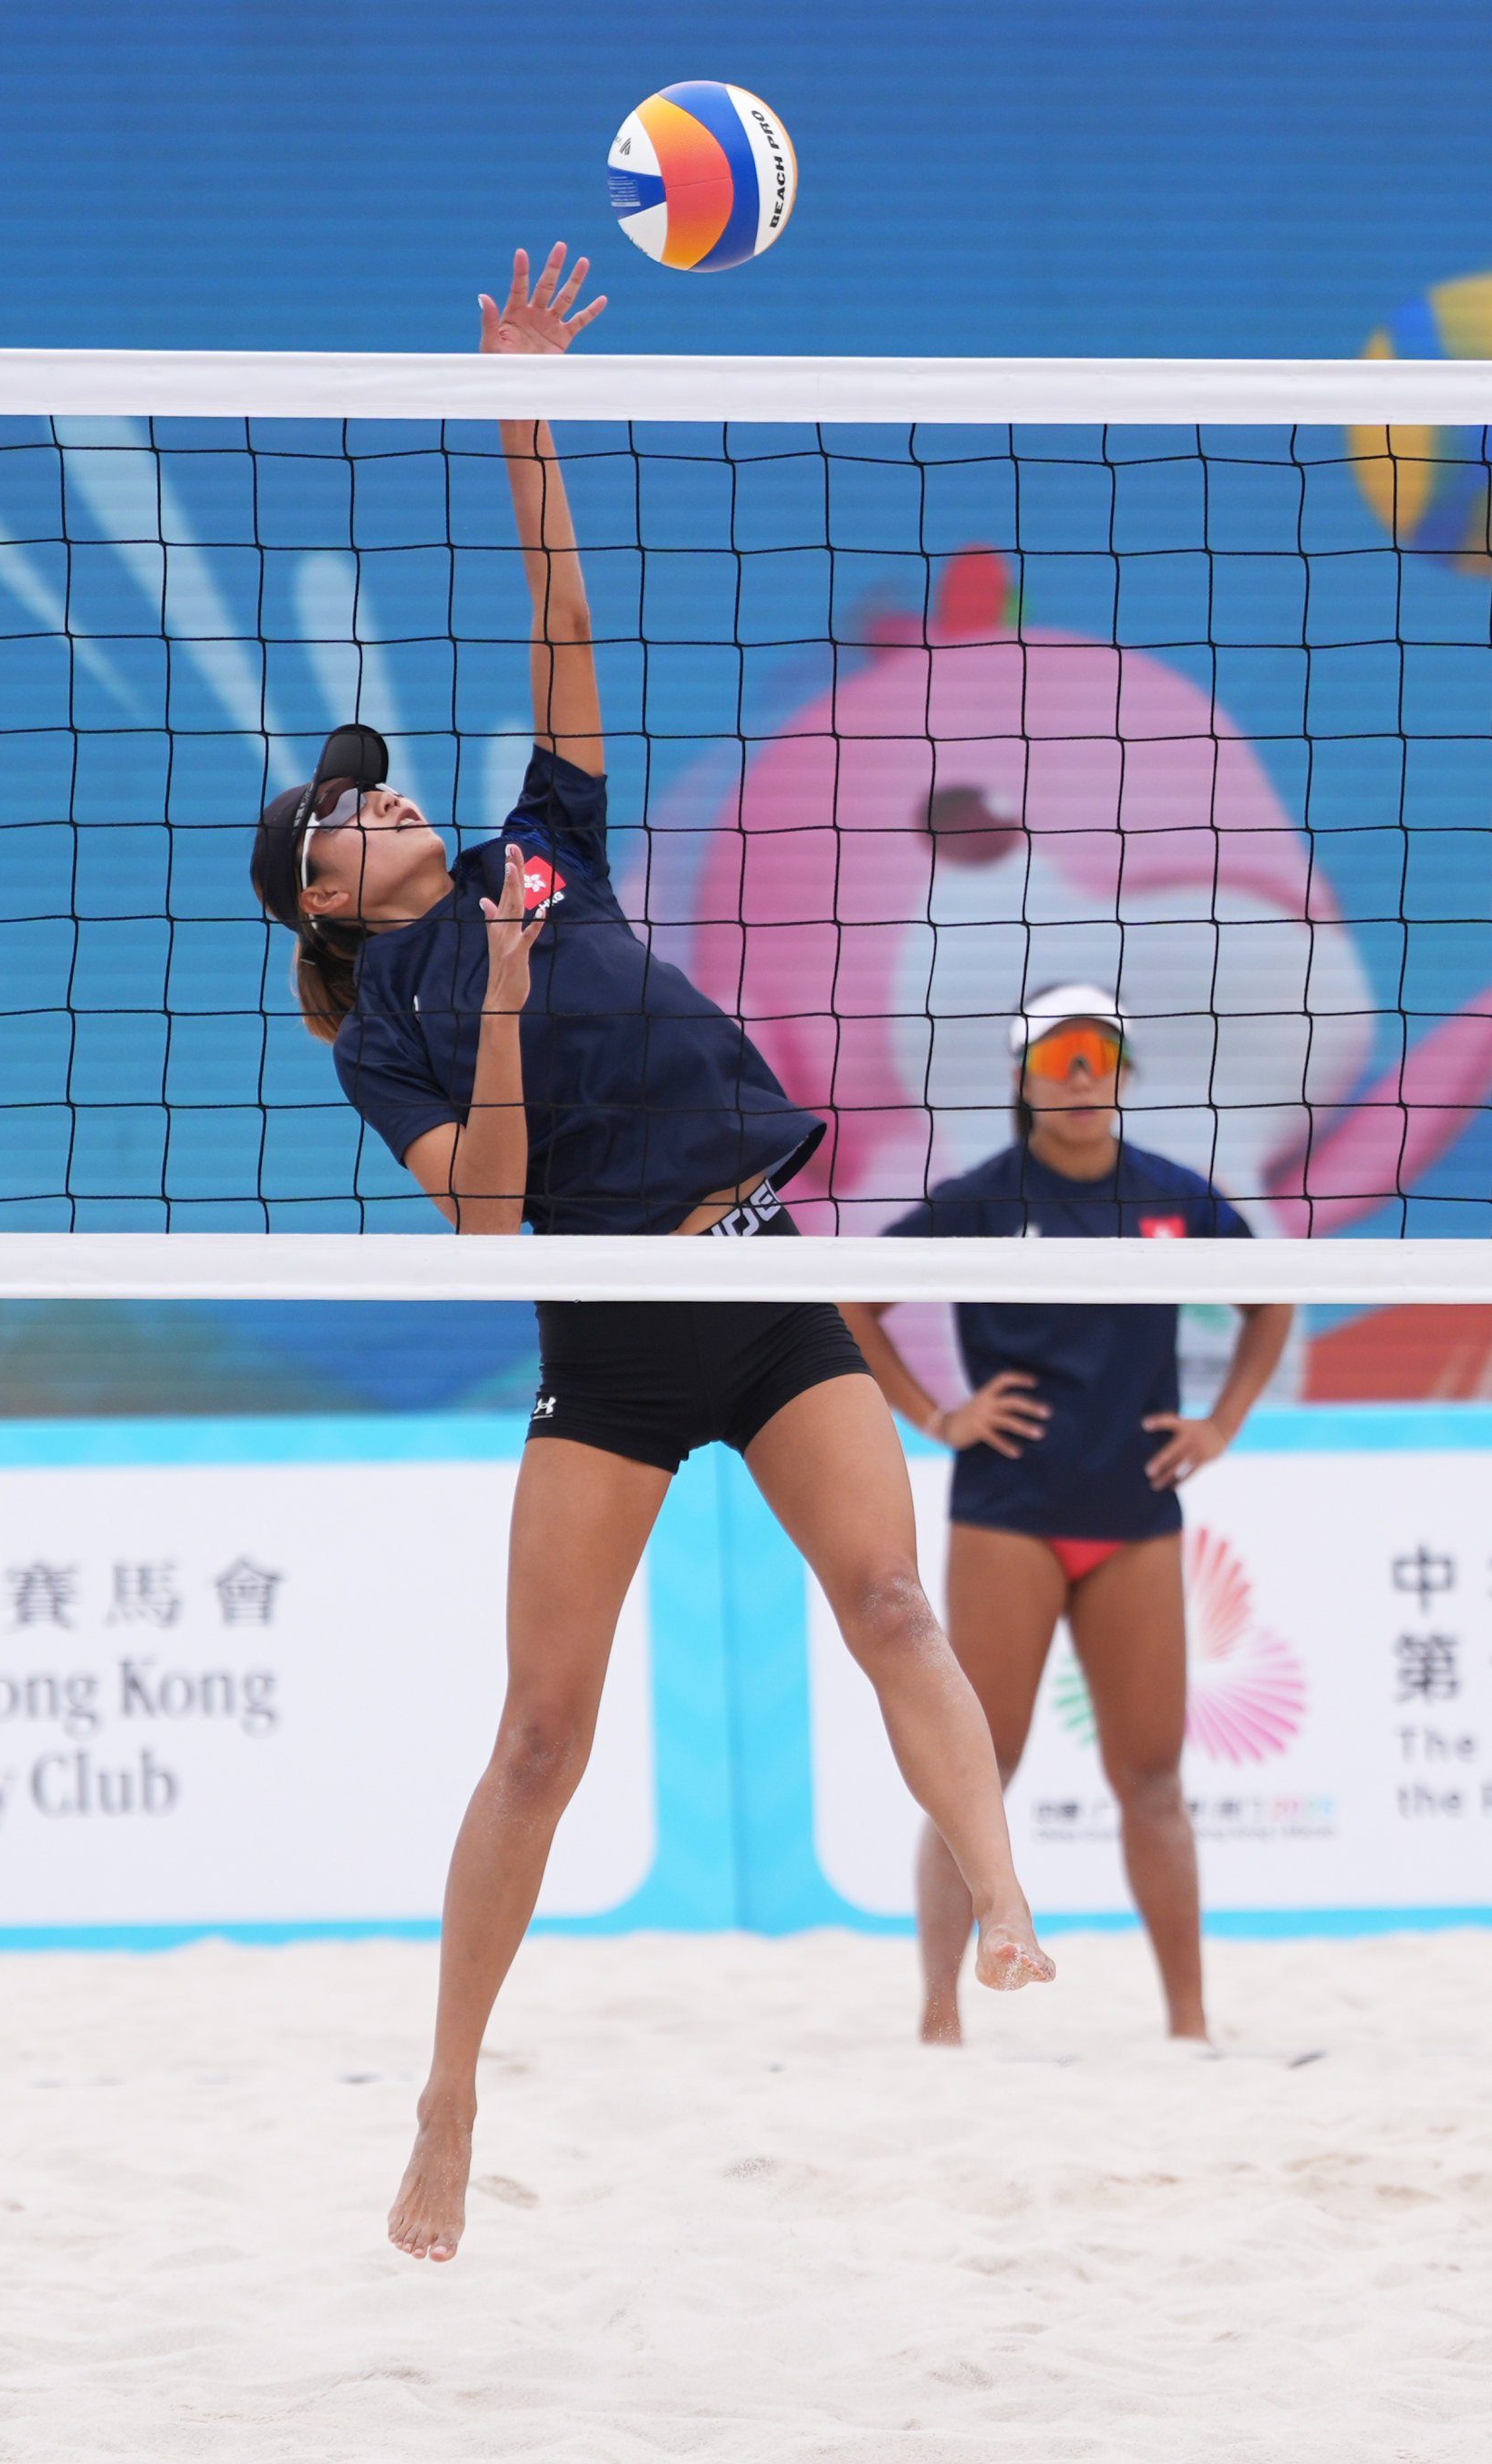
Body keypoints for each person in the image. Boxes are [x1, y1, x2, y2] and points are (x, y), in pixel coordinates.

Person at [250, 248, 1052, 2264]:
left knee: (891, 1600)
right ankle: (446, 2100)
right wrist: (511, 1000)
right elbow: (487, 1211)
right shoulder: (386, 1026)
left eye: (366, 780)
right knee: (541, 1735)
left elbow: (565, 619)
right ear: (323, 899)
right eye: (337, 813)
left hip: (759, 1271)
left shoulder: (541, 846)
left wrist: (518, 410)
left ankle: (1002, 1897)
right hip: (610, 1334)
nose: (370, 794)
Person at [840, 989, 1294, 2047]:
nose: (1082, 1074)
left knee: (1153, 1779)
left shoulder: (1176, 1196)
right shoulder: (982, 1199)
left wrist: (1223, 1421)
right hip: (1012, 1512)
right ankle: (940, 2022)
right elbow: (854, 1299)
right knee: (978, 1771)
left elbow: (1273, 1296)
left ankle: (1189, 2028)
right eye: (1058, 1056)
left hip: (1134, 1508)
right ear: (1023, 1079)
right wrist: (938, 1416)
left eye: (1099, 1053)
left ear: (1125, 1071)